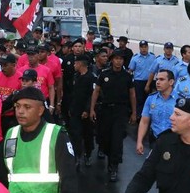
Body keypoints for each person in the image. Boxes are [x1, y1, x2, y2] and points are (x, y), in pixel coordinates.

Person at [0, 86, 79, 193]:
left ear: (41, 110)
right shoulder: (11, 135)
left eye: (27, 107)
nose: (20, 111)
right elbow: (1, 175)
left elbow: (69, 177)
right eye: (17, 106)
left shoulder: (56, 134)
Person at [89, 49, 136, 182]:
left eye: (121, 59)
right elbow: (96, 92)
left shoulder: (127, 76)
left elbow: (132, 94)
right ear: (112, 60)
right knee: (106, 137)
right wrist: (92, 109)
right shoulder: (104, 74)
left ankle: (114, 166)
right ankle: (107, 155)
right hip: (105, 110)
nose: (118, 61)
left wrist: (134, 112)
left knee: (117, 139)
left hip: (121, 111)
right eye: (116, 59)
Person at [136, 69, 176, 154]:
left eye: (161, 79)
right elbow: (144, 122)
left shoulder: (180, 100)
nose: (157, 82)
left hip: (175, 141)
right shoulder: (151, 99)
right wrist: (139, 141)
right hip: (155, 139)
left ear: (171, 82)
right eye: (157, 79)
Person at [68, 54, 95, 169]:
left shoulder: (91, 77)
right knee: (76, 134)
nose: (74, 65)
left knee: (87, 134)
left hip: (86, 112)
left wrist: (87, 110)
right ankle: (77, 157)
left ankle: (87, 155)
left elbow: (92, 95)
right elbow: (73, 94)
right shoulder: (76, 76)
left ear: (80, 64)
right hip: (75, 111)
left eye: (75, 63)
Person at [128, 40, 155, 118]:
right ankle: (138, 117)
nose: (144, 49)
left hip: (149, 81)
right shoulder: (135, 58)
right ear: (139, 48)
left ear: (148, 47)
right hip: (138, 82)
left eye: (145, 47)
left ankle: (147, 116)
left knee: (148, 100)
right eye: (142, 47)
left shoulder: (152, 57)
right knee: (139, 100)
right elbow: (130, 70)